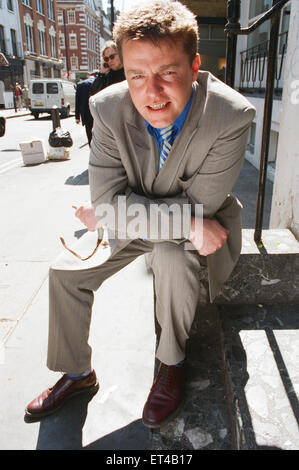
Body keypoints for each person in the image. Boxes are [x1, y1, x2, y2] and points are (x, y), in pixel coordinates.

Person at [25, 0, 255, 428]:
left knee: (169, 254)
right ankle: (77, 373)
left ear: (195, 64)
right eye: (136, 75)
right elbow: (121, 204)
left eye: (168, 72)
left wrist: (116, 213)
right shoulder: (107, 108)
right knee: (64, 272)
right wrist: (160, 217)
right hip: (172, 225)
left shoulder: (231, 115)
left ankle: (171, 363)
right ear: (124, 70)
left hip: (195, 235)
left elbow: (199, 211)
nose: (151, 92)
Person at [75, 71, 98, 146]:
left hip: (86, 114)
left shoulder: (80, 84)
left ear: (88, 75)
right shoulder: (99, 82)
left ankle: (91, 148)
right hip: (97, 112)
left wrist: (77, 117)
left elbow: (77, 101)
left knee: (89, 133)